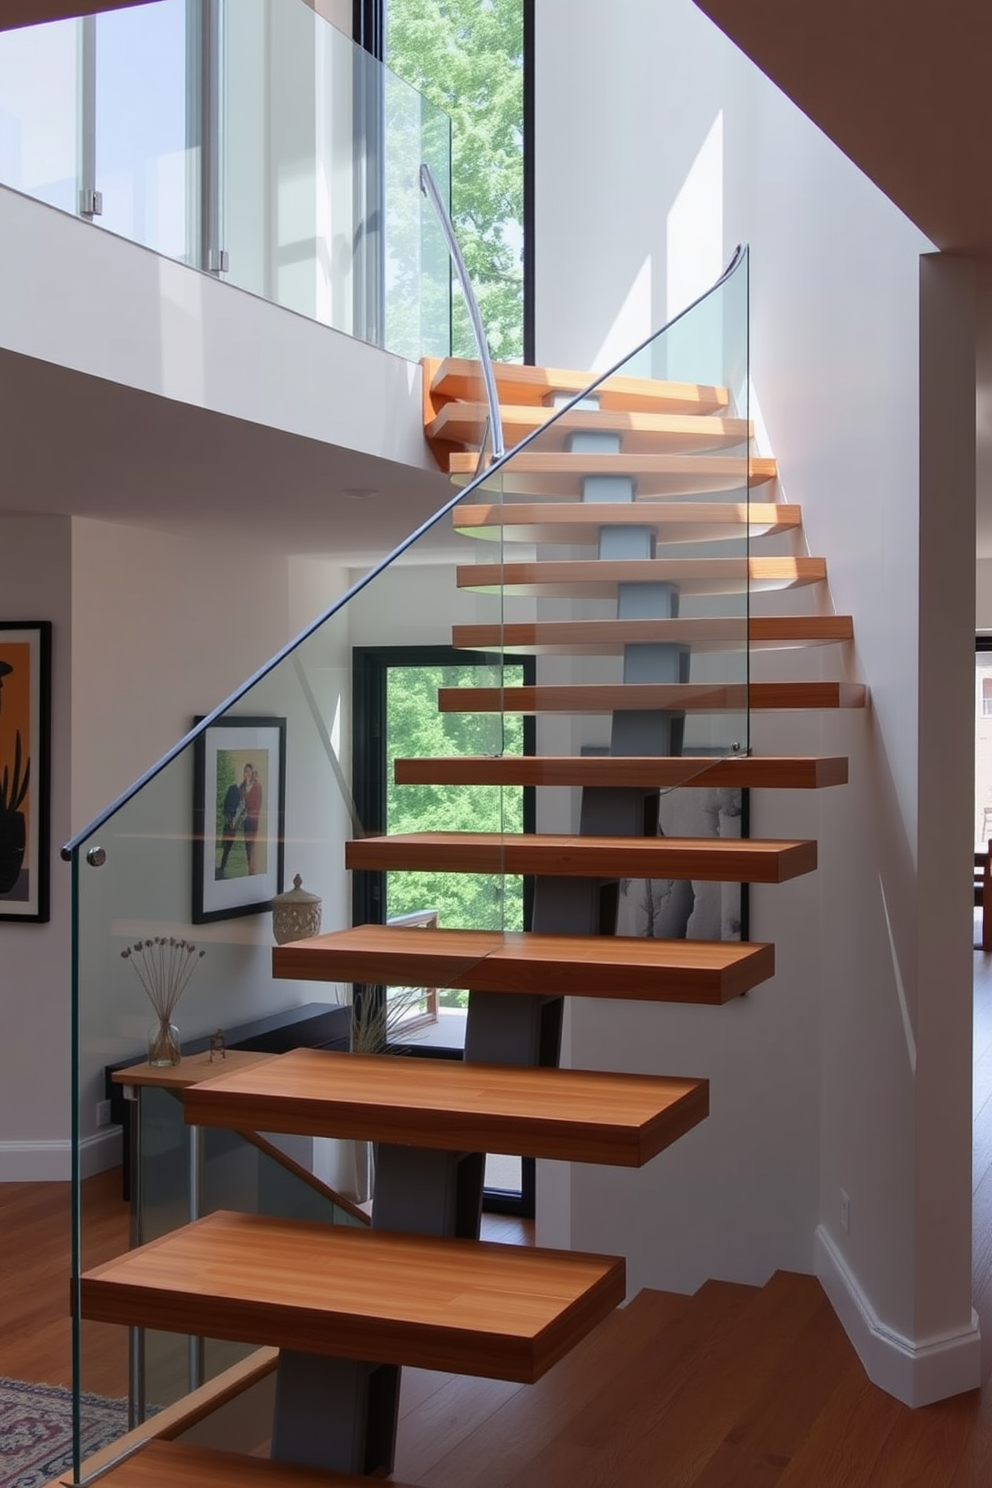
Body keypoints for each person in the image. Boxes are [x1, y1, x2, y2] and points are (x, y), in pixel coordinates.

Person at [217, 779, 244, 877]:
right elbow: (235, 807)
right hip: (231, 819)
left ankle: (223, 865)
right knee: (227, 844)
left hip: (231, 819)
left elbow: (229, 805)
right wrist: (232, 820)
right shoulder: (236, 791)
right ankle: (222, 865)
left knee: (227, 845)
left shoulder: (234, 790)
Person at [242, 763, 263, 875]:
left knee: (251, 845)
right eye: (245, 772)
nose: (247, 774)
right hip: (246, 820)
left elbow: (256, 805)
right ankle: (249, 867)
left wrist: (247, 813)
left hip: (253, 820)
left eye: (249, 772)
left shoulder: (257, 787)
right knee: (247, 845)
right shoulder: (244, 786)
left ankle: (252, 869)